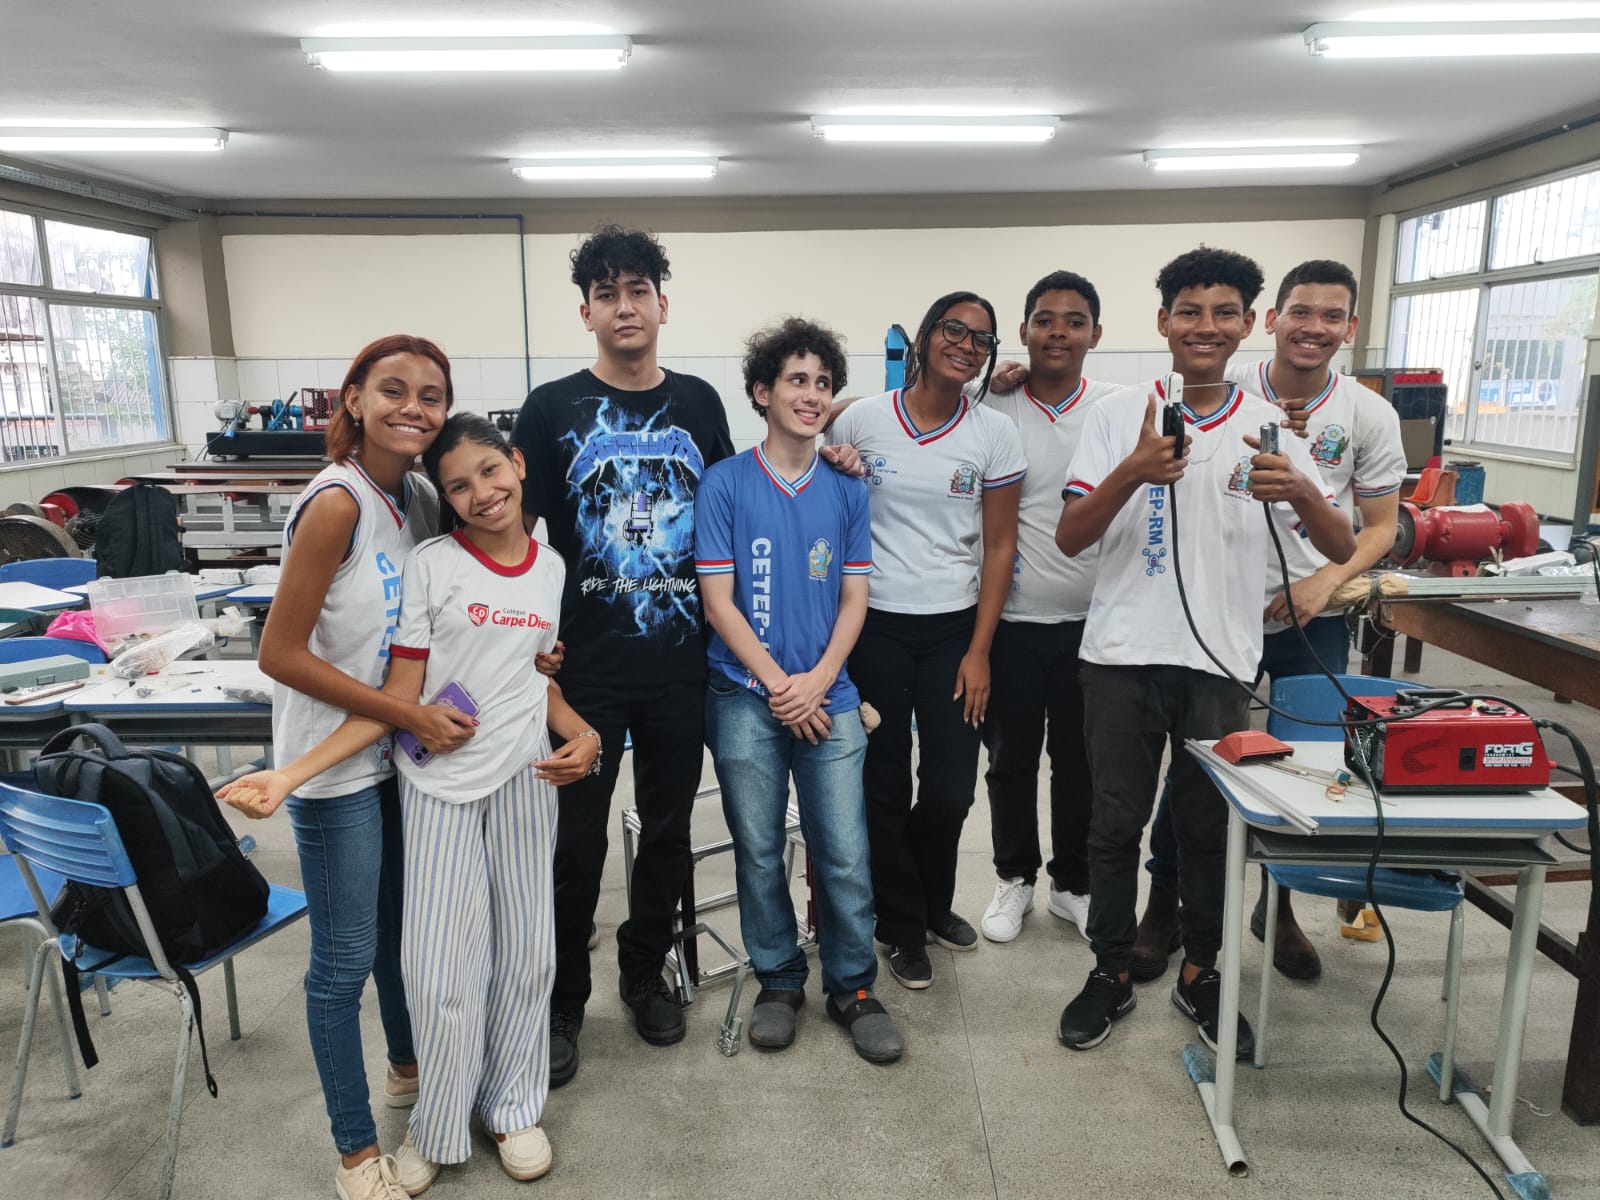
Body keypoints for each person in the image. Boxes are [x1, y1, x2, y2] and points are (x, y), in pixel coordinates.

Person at [224, 413, 600, 1193]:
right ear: (444, 498)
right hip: (436, 786)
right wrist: (292, 774)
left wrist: (583, 734)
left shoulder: (551, 567)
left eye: (490, 472)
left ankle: (513, 1109)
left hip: (526, 780)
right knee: (437, 968)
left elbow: (534, 677)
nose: (481, 493)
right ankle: (437, 1120)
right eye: (458, 486)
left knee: (526, 954)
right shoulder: (432, 565)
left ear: (517, 464)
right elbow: (400, 696)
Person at [1052, 247, 1355, 1057]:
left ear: (1248, 324)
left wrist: (1299, 488)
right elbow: (1071, 535)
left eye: (1224, 313)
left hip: (1221, 662)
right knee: (1114, 825)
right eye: (1189, 311)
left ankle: (1202, 972)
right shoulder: (1121, 413)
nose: (1205, 326)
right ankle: (1110, 970)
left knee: (1207, 829)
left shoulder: (1269, 426)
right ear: (1163, 322)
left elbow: (1341, 543)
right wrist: (1133, 471)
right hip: (1119, 656)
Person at [1131, 259, 1405, 983]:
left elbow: (1381, 526)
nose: (1314, 327)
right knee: (1197, 764)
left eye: (1332, 315)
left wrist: (1325, 579)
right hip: (1216, 615)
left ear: (1350, 327)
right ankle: (1162, 902)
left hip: (1310, 620)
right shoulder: (1221, 383)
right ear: (1272, 320)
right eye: (1301, 312)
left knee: (1301, 768)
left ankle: (1278, 907)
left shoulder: (1368, 414)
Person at [254, 335, 467, 1200]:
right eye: (393, 390)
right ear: (353, 399)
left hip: (396, 761)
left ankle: (408, 1069)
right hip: (333, 769)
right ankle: (354, 1153)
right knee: (342, 965)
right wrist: (404, 712)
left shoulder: (418, 496)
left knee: (400, 939)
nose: (413, 407)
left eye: (431, 394)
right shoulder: (337, 503)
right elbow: (279, 654)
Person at [696, 318, 902, 1062]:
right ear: (762, 391)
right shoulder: (725, 483)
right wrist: (780, 686)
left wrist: (815, 684)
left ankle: (852, 986)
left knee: (843, 852)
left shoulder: (845, 487)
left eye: (823, 383)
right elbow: (719, 602)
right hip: (744, 698)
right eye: (796, 380)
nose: (812, 395)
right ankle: (779, 980)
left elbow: (855, 598)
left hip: (829, 696)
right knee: (758, 850)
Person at [825, 292, 1025, 990]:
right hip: (873, 624)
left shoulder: (994, 433)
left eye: (981, 339)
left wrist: (979, 650)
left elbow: (1000, 546)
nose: (966, 346)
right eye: (954, 330)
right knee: (880, 782)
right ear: (924, 336)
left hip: (953, 631)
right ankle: (903, 926)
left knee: (949, 789)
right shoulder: (863, 418)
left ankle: (933, 902)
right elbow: (814, 456)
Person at [974, 270, 1133, 945]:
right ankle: (1015, 876)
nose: (1058, 332)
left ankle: (1073, 883)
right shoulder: (991, 402)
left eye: (1074, 321)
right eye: (1045, 320)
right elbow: (887, 405)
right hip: (1010, 622)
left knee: (1080, 763)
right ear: (1023, 331)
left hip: (1095, 624)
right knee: (1010, 761)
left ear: (1096, 333)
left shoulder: (1120, 407)